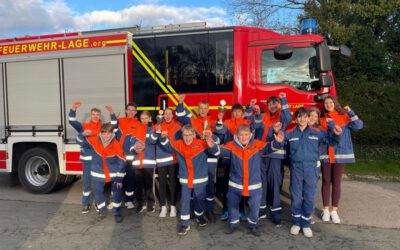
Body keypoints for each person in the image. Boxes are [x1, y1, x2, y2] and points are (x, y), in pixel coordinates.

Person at [208, 124, 283, 236]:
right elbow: (218, 152)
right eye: (241, 135)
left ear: (250, 135)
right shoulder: (232, 146)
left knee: (254, 207)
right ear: (237, 136)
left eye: (246, 134)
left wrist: (277, 142)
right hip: (235, 185)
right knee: (232, 205)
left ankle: (253, 225)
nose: (243, 137)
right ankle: (233, 225)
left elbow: (269, 147)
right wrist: (212, 146)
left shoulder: (257, 145)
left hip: (254, 185)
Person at [278, 107, 342, 237]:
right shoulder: (290, 133)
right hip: (296, 168)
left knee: (309, 196)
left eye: (305, 116)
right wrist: (277, 140)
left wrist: (336, 134)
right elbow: (279, 143)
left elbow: (331, 142)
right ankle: (296, 222)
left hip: (311, 168)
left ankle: (306, 223)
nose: (302, 119)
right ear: (296, 119)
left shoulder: (317, 132)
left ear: (308, 118)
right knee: (296, 196)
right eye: (299, 117)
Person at [159, 124, 211, 236]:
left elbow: (215, 151)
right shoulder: (178, 144)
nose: (187, 138)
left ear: (194, 135)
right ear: (182, 135)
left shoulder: (202, 143)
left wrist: (210, 139)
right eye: (185, 135)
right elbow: (167, 147)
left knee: (199, 199)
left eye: (189, 135)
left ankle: (200, 216)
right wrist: (163, 138)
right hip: (185, 179)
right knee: (185, 201)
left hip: (199, 179)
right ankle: (184, 224)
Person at [319, 96, 363, 224]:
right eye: (326, 103)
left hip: (340, 153)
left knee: (336, 182)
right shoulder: (322, 119)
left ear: (335, 103)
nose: (328, 104)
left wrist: (351, 112)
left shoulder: (344, 117)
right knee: (326, 181)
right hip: (326, 154)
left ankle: (334, 211)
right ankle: (326, 209)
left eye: (330, 102)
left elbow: (358, 126)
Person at [215, 100, 261, 221]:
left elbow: (256, 125)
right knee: (227, 187)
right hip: (228, 158)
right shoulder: (227, 122)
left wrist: (257, 113)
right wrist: (219, 119)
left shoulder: (246, 122)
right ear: (232, 113)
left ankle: (241, 211)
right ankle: (226, 210)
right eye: (235, 111)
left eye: (239, 111)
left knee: (241, 186)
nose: (237, 113)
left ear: (242, 112)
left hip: (242, 159)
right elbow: (219, 130)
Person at [175, 95, 219, 222]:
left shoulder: (214, 122)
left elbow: (219, 138)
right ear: (198, 109)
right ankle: (196, 210)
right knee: (194, 185)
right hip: (197, 157)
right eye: (200, 108)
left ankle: (209, 210)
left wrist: (211, 136)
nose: (203, 110)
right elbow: (181, 116)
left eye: (205, 108)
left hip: (209, 157)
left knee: (209, 186)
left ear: (208, 108)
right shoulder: (193, 121)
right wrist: (180, 103)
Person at [68, 101, 116, 213]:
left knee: (99, 183)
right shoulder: (84, 126)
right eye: (93, 114)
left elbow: (114, 124)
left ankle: (98, 202)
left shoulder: (103, 127)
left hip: (99, 159)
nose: (95, 116)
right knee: (86, 182)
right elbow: (72, 122)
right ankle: (85, 203)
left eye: (97, 115)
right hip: (88, 160)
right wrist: (73, 109)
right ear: (91, 115)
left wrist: (112, 113)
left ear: (100, 116)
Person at [254, 92, 292, 226]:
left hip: (275, 155)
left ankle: (276, 212)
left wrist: (283, 99)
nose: (272, 106)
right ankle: (262, 209)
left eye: (275, 103)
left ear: (279, 105)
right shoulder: (263, 116)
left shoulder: (282, 117)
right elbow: (254, 127)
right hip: (262, 154)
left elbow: (289, 116)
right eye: (270, 104)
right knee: (262, 184)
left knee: (275, 184)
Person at [76, 123, 125, 222]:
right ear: (101, 133)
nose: (106, 136)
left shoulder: (116, 144)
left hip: (113, 173)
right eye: (104, 133)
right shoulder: (94, 140)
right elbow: (80, 142)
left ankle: (116, 212)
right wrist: (82, 134)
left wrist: (119, 179)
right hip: (97, 173)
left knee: (117, 193)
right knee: (98, 193)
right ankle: (102, 210)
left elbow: (122, 161)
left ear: (112, 133)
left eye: (109, 133)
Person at [107, 103, 141, 209]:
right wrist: (112, 114)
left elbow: (138, 139)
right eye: (129, 110)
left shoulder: (138, 124)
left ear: (136, 112)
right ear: (126, 111)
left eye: (133, 110)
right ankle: (114, 200)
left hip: (130, 156)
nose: (130, 112)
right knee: (116, 178)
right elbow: (111, 129)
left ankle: (128, 200)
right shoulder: (120, 121)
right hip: (118, 156)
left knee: (131, 178)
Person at [124, 111, 157, 213]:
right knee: (139, 185)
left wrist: (149, 127)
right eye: (142, 118)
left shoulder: (153, 129)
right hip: (137, 162)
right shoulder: (136, 129)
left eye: (146, 118)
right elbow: (131, 146)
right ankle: (140, 203)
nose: (144, 120)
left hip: (148, 162)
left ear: (150, 118)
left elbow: (153, 141)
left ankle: (151, 203)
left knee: (149, 184)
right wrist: (135, 149)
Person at [151, 108, 181, 218]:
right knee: (162, 183)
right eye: (166, 114)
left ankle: (173, 206)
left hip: (173, 159)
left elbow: (178, 142)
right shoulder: (157, 125)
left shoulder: (178, 126)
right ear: (163, 116)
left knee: (173, 183)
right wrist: (156, 131)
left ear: (173, 115)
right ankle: (163, 206)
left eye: (170, 114)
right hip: (161, 160)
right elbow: (152, 141)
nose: (168, 116)